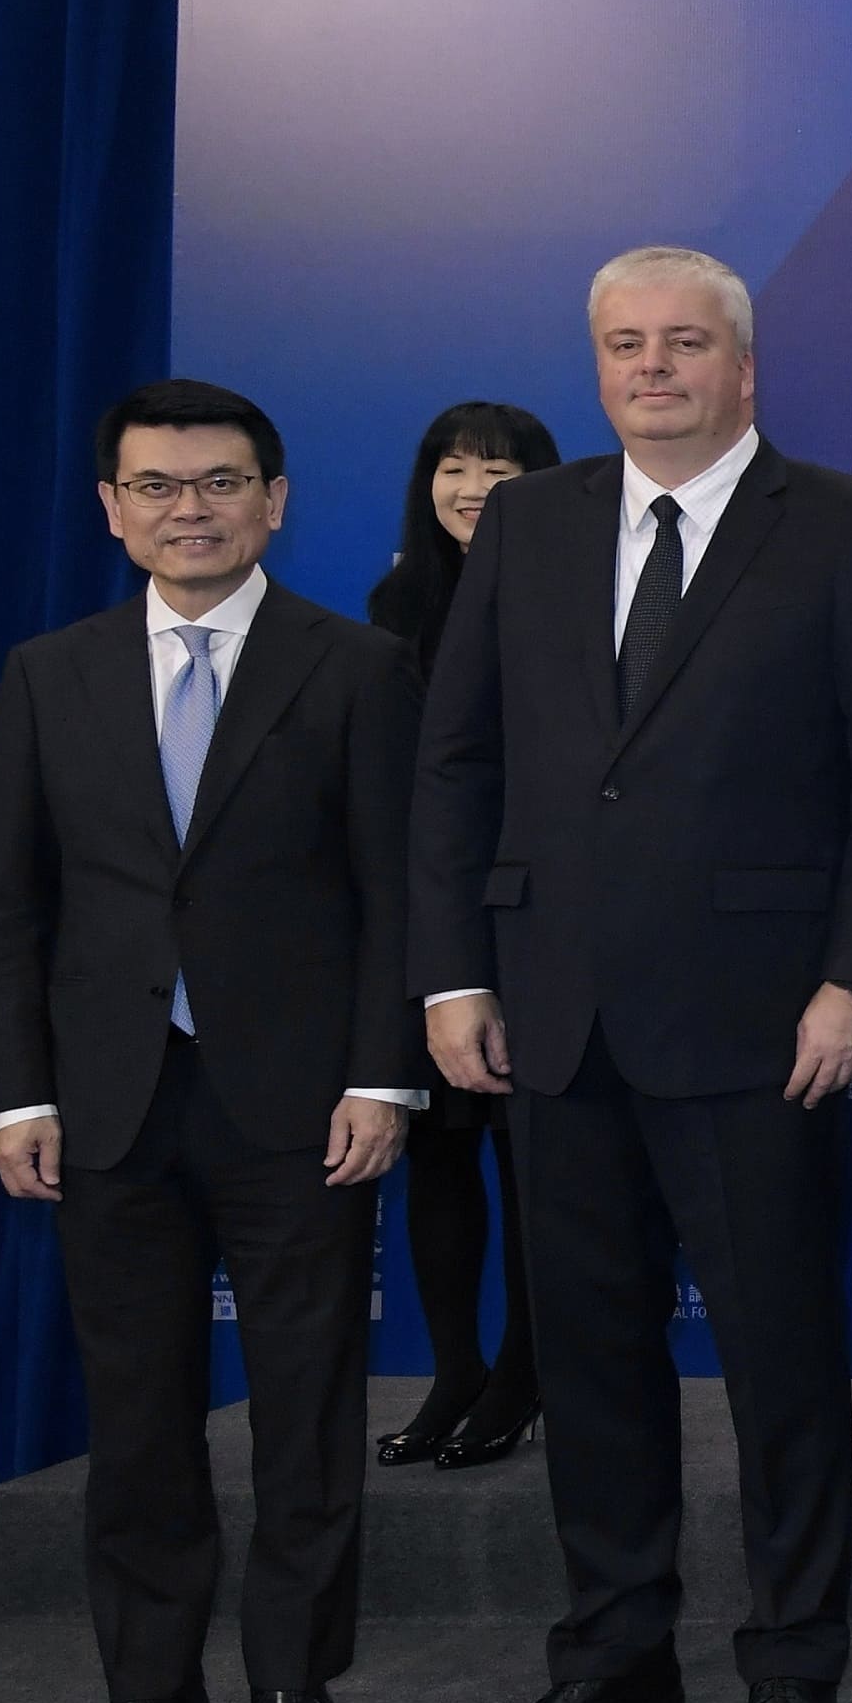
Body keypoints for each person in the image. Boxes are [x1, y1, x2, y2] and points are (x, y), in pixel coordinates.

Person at [414, 245, 852, 1703]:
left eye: (686, 342)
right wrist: (454, 974)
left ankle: (791, 1658)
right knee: (585, 1359)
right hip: (551, 1021)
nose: (655, 367)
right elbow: (455, 760)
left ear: (744, 365)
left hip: (764, 1024)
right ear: (597, 367)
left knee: (781, 1359)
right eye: (627, 344)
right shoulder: (528, 520)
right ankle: (617, 1651)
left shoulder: (842, 523)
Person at [0, 381, 428, 1703]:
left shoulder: (353, 665)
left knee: (304, 1404)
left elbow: (392, 894)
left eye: (219, 482)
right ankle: (147, 1688)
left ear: (274, 498)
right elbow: (7, 907)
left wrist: (382, 1075)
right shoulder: (50, 671)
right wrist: (17, 1094)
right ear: (112, 510)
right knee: (139, 1414)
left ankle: (294, 1675)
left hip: (298, 1100)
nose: (190, 508)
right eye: (158, 486)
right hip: (106, 1102)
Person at [362, 399, 561, 1471]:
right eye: (453, 466)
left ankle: (528, 1370)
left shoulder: (572, 591)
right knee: (436, 1155)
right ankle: (455, 1368)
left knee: (530, 1162)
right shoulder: (392, 603)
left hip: (534, 916)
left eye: (498, 467)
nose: (472, 487)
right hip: (422, 918)